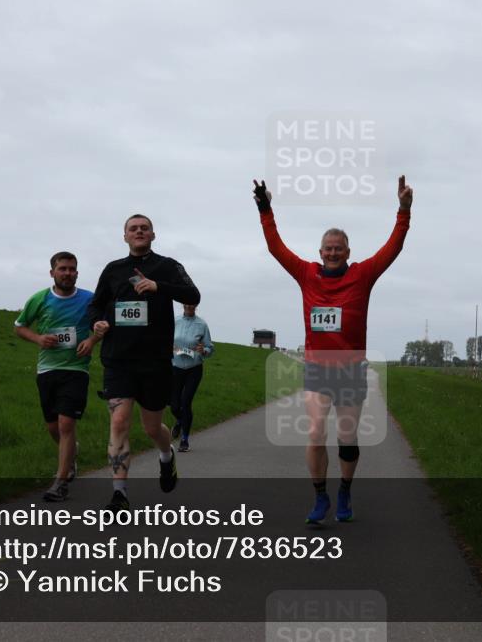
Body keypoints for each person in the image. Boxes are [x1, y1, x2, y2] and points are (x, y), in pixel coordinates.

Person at [253, 175, 412, 523]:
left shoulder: (363, 274)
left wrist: (403, 210)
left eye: (338, 248)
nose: (333, 252)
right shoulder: (306, 274)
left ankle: (345, 490)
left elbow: (393, 248)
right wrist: (265, 208)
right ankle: (320, 496)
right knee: (314, 432)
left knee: (347, 437)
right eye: (328, 248)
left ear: (347, 253)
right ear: (320, 252)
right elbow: (275, 247)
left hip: (351, 369)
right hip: (317, 368)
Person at [87, 214, 201, 512]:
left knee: (152, 428)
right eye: (133, 228)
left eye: (144, 228)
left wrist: (158, 286)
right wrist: (97, 323)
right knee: (119, 421)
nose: (139, 231)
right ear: (124, 236)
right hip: (118, 358)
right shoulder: (113, 270)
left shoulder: (168, 266)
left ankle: (166, 455)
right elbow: (96, 305)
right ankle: (119, 494)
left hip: (154, 361)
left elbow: (193, 294)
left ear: (153, 234)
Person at [14, 252, 99, 503]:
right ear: (52, 272)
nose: (68, 273)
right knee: (53, 427)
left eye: (72, 269)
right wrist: (39, 339)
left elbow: (103, 324)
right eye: (62, 269)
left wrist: (92, 340)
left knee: (65, 424)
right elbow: (19, 327)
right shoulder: (39, 299)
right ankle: (71, 455)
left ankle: (60, 482)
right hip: (47, 370)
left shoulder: (89, 299)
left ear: (77, 272)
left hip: (76, 370)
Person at [170, 303, 214, 452]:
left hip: (193, 369)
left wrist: (204, 350)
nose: (189, 306)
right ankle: (180, 421)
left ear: (195, 305)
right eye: (187, 303)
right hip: (176, 367)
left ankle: (184, 440)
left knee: (185, 401)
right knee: (174, 405)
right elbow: (167, 340)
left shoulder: (202, 324)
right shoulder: (175, 321)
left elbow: (210, 348)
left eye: (192, 304)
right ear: (183, 304)